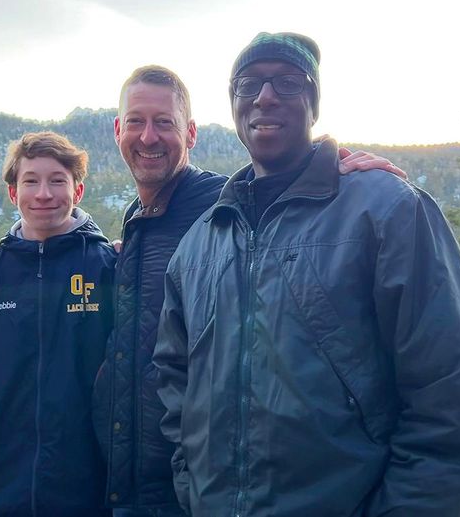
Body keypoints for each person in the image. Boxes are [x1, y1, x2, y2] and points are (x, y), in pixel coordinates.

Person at [153, 32, 460, 517]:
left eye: (288, 82)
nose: (265, 97)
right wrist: (191, 485)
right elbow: (176, 383)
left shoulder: (388, 213)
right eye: (249, 84)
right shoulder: (200, 244)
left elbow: (457, 404)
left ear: (314, 102)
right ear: (233, 103)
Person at [92, 65, 405, 517]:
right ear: (118, 129)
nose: (148, 137)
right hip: (151, 484)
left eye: (165, 122)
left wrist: (344, 169)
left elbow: (291, 195)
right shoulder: (137, 218)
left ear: (191, 134)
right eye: (137, 122)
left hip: (208, 489)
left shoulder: (226, 207)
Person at [0, 131, 115, 516]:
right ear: (14, 194)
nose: (43, 194)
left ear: (77, 192)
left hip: (88, 483)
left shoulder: (109, 267)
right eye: (30, 181)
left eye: (57, 180)